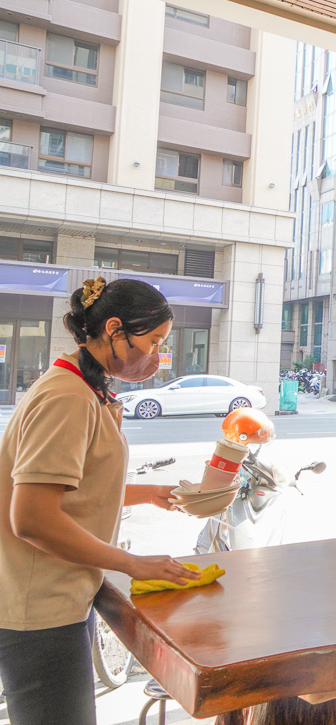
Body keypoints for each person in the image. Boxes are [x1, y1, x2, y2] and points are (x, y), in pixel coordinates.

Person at [0, 277, 200, 725]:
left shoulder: (82, 387)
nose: (157, 358)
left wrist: (147, 494)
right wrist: (132, 564)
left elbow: (69, 489)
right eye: (153, 342)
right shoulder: (66, 397)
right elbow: (32, 517)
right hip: (40, 608)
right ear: (114, 330)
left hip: (63, 596)